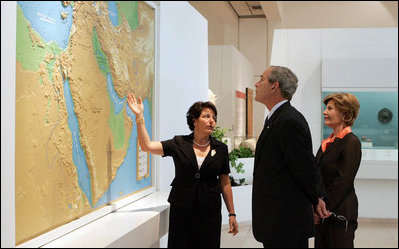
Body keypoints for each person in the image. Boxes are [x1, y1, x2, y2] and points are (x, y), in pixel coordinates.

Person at [126, 92, 238, 248]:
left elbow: (225, 183)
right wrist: (139, 117)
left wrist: (231, 213)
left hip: (209, 211)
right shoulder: (179, 143)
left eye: (214, 118)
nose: (211, 121)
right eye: (206, 116)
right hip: (182, 210)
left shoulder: (221, 148)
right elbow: (147, 146)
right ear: (194, 120)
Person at [252, 65, 329, 248]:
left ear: (274, 86)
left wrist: (316, 197)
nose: (256, 84)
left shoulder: (288, 121)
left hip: (285, 223)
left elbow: (304, 166)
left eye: (261, 79)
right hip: (277, 221)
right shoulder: (276, 118)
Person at [314, 93, 361, 248]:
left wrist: (323, 207)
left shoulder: (351, 142)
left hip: (339, 213)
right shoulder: (328, 142)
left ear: (345, 114)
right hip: (323, 212)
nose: (324, 112)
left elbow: (343, 181)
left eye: (330, 108)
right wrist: (316, 203)